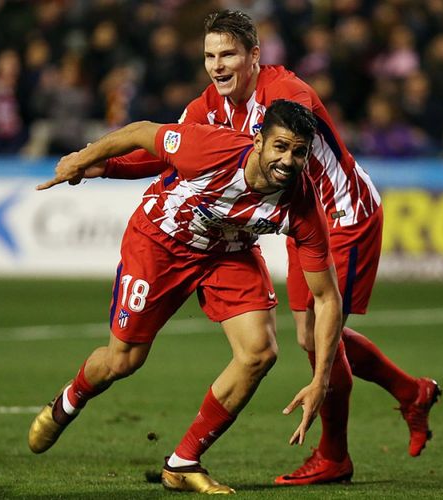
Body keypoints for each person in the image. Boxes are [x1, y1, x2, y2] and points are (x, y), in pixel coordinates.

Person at [101, 10, 441, 485]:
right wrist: (103, 166)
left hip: (342, 215)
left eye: (229, 55)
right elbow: (164, 151)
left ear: (254, 57)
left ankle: (334, 455)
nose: (218, 66)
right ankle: (410, 392)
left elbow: (301, 129)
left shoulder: (286, 97)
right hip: (304, 219)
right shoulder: (212, 105)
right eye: (210, 56)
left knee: (316, 336)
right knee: (312, 337)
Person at [29, 100, 344, 494]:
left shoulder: (302, 206)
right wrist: (82, 159)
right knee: (123, 360)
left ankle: (183, 462)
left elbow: (327, 298)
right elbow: (139, 131)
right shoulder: (209, 148)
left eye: (299, 152)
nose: (287, 160)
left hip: (228, 252)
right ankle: (70, 400)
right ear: (258, 141)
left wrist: (320, 380)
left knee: (259, 353)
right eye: (279, 146)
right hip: (161, 241)